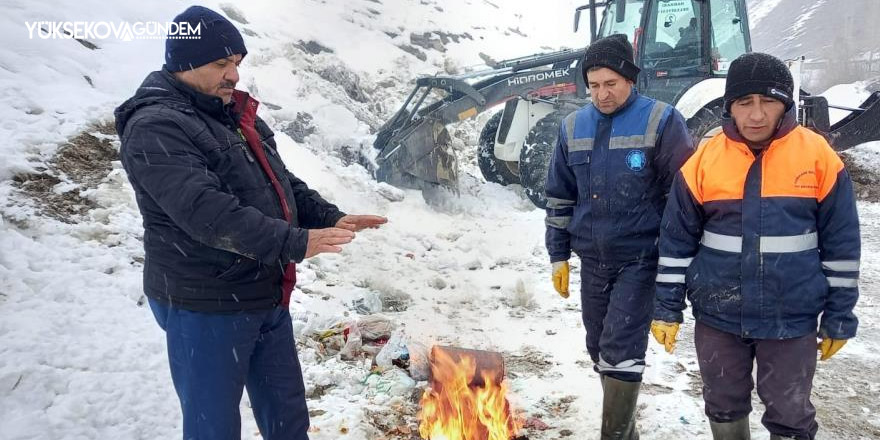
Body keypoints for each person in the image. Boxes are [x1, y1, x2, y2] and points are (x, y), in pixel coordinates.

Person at [115, 6, 387, 440]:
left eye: (236, 64)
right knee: (214, 426)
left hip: (263, 290)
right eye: (220, 64)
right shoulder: (156, 126)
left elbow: (278, 181)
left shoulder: (230, 113)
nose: (233, 76)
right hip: (205, 302)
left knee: (287, 418)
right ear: (183, 63)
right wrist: (296, 242)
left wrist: (330, 215)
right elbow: (207, 214)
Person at [651, 52, 860, 440]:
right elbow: (676, 241)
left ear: (786, 104)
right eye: (745, 103)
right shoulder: (704, 160)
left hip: (790, 316)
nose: (757, 115)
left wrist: (840, 315)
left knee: (790, 411)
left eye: (769, 101)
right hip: (718, 316)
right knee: (722, 402)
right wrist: (666, 308)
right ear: (731, 106)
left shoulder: (818, 157)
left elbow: (842, 245)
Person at [544, 33, 694, 439]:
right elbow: (559, 196)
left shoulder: (662, 121)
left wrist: (676, 262)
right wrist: (558, 255)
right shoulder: (572, 126)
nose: (602, 94)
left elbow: (683, 199)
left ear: (630, 78)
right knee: (598, 349)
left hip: (641, 258)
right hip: (593, 259)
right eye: (593, 85)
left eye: (610, 84)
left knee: (621, 350)